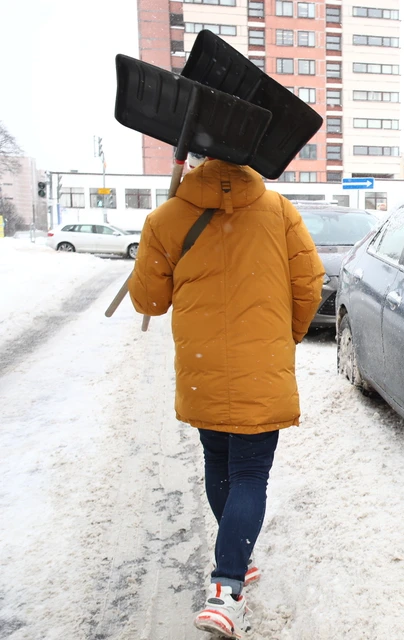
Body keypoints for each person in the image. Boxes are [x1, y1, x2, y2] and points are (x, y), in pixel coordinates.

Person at [128, 155, 323, 639]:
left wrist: (159, 237)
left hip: (204, 367)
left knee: (218, 463)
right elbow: (309, 281)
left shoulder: (167, 217)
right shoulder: (279, 211)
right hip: (262, 363)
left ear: (197, 157)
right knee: (250, 475)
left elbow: (149, 300)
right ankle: (227, 590)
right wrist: (290, 334)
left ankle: (236, 559)